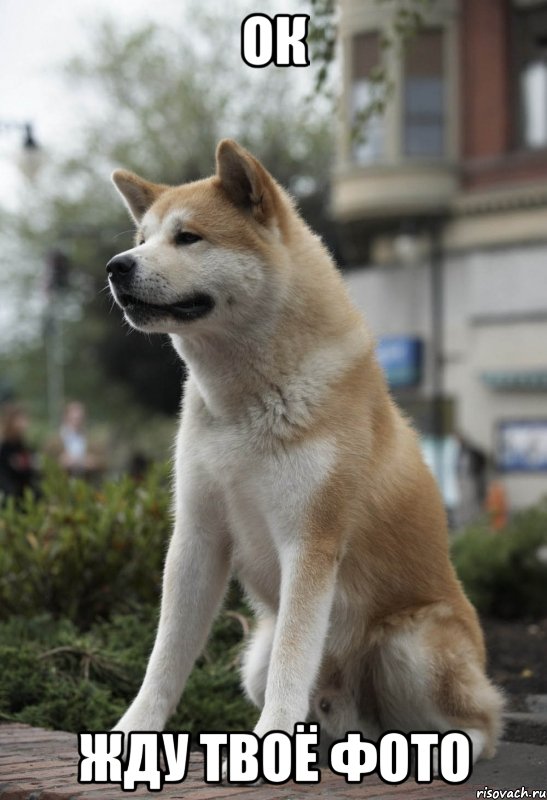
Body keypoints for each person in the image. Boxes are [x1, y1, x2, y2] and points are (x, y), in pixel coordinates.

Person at [0, 404, 39, 501]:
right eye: (20, 420)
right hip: (10, 495)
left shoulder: (25, 446)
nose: (24, 424)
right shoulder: (5, 447)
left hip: (26, 493)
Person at [57, 401, 101, 478]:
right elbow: (44, 462)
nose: (77, 422)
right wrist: (60, 462)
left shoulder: (93, 440)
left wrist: (93, 462)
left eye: (80, 418)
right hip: (62, 483)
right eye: (73, 418)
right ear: (65, 418)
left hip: (86, 482)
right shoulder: (54, 441)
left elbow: (104, 463)